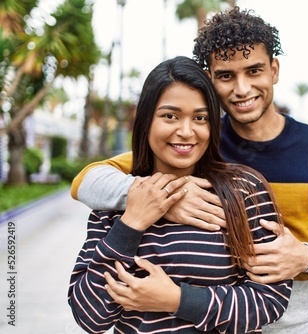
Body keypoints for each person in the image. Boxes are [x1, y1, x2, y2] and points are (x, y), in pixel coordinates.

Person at [71, 7, 308, 333]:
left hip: (296, 321)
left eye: (254, 71)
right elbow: (87, 180)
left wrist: (306, 257)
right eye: (226, 75)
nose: (242, 88)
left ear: (274, 69)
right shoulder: (197, 142)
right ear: (210, 79)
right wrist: (167, 198)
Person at [67, 56, 292, 334]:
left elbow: (269, 300)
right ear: (146, 121)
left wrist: (177, 300)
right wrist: (132, 223)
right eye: (170, 116)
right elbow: (90, 316)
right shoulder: (115, 202)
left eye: (200, 118)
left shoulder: (244, 189)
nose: (186, 132)